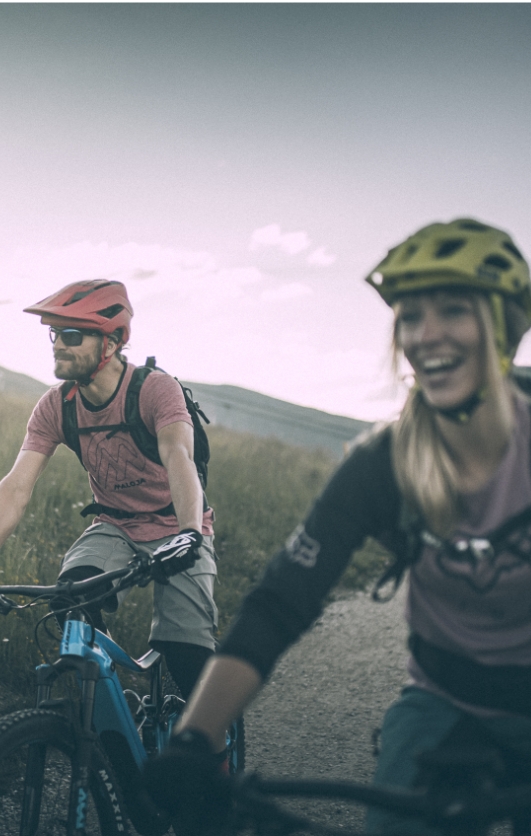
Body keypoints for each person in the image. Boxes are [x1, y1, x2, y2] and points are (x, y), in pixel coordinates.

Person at [142, 218, 531, 834]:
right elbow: (278, 604)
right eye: (409, 317)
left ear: (503, 326)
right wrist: (194, 740)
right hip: (443, 700)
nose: (425, 336)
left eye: (452, 310)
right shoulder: (384, 464)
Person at [0, 279, 217, 701]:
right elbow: (14, 490)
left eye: (72, 335)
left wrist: (191, 532)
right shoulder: (56, 406)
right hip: (115, 526)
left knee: (186, 653)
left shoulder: (154, 389)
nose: (58, 345)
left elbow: (179, 458)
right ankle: (109, 710)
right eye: (55, 334)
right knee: (70, 601)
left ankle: (210, 758)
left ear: (112, 341)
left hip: (179, 523)